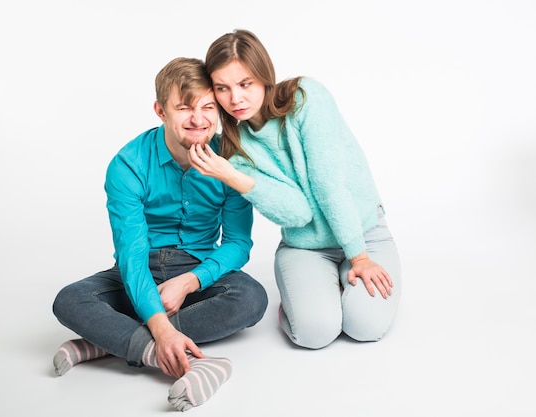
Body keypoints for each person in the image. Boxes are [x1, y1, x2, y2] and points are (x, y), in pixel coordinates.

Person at [51, 57, 268, 412]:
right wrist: (161, 328)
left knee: (251, 299)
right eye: (184, 108)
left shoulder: (232, 160)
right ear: (160, 110)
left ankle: (107, 342)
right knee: (69, 300)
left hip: (197, 267)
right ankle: (181, 357)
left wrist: (190, 282)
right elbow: (131, 256)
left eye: (208, 107)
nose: (198, 119)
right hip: (140, 270)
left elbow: (237, 243)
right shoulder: (128, 164)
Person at [188, 29, 402, 350]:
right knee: (315, 333)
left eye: (245, 84)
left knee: (365, 326)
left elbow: (328, 185)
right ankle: (306, 301)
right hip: (305, 247)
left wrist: (358, 258)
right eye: (223, 88)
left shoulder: (305, 97)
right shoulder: (234, 150)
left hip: (364, 233)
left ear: (264, 76)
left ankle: (337, 287)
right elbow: (297, 213)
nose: (235, 99)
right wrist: (231, 175)